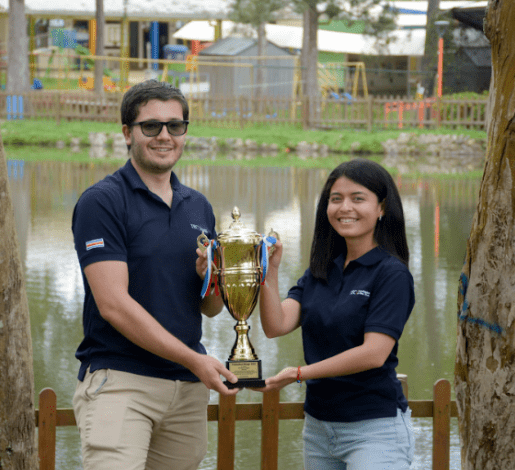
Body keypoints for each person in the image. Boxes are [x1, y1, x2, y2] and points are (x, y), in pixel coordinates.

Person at [71, 79, 238, 470]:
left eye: (175, 126)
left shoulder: (198, 206)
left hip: (186, 391)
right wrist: (195, 360)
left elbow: (211, 308)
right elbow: (113, 305)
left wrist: (213, 277)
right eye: (151, 126)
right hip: (122, 382)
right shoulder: (102, 201)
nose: (165, 135)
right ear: (127, 133)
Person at [257, 158, 416, 469]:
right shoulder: (321, 271)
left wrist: (299, 374)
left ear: (381, 207)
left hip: (374, 430)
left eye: (358, 198)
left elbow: (373, 354)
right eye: (336, 199)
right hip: (318, 428)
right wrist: (269, 272)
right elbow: (276, 325)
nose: (345, 208)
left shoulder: (391, 274)